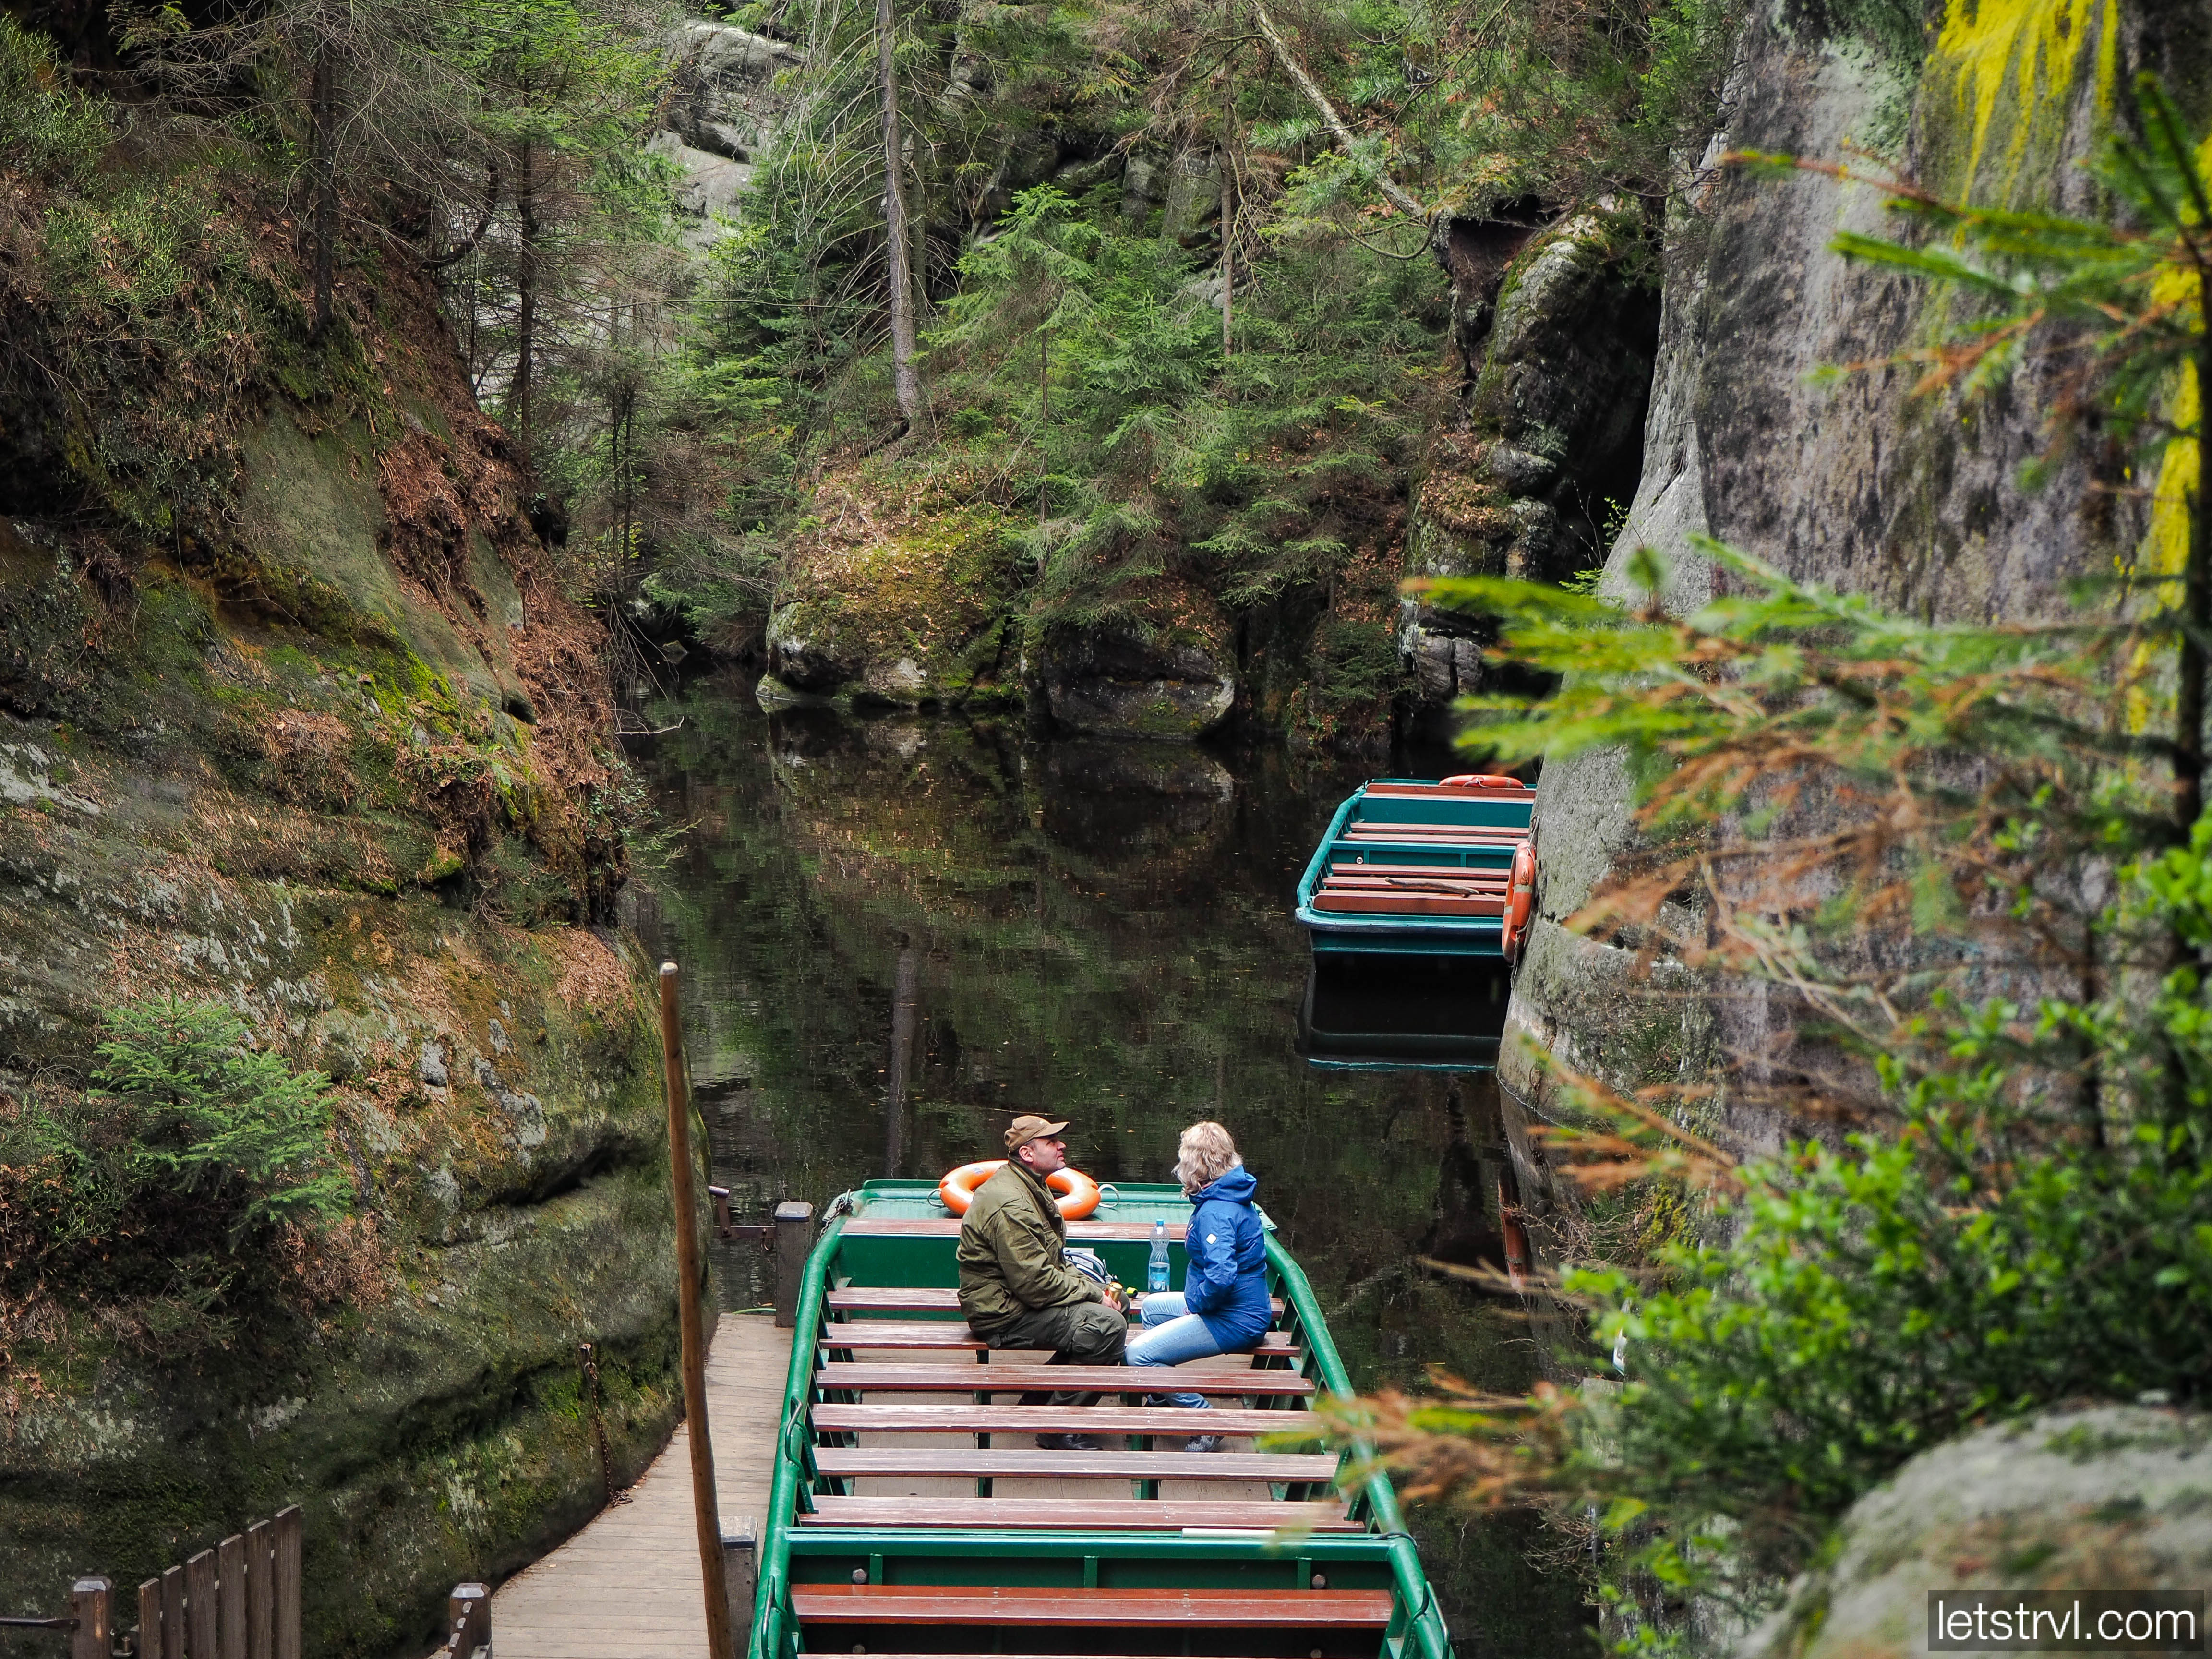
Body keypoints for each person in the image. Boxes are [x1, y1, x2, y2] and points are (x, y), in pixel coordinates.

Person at [956, 1114, 1129, 1451]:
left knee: (1117, 1304)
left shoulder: (1029, 1185)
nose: (1061, 1146)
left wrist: (1099, 1291)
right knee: (1107, 1326)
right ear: (1027, 1153)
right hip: (1003, 1313)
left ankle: (1038, 1400)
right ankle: (1056, 1428)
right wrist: (1094, 1295)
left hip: (1020, 1297)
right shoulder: (1012, 1204)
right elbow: (1036, 1285)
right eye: (1051, 1142)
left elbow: (1052, 1264)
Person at [1126, 1120, 1269, 1454]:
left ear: (1196, 1165)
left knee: (1138, 1355)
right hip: (1237, 1308)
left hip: (1234, 1319)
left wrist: (1198, 1305)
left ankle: (1206, 1422)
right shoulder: (1227, 1193)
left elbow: (1221, 1277)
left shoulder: (1216, 1212)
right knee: (1152, 1308)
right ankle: (1162, 1394)